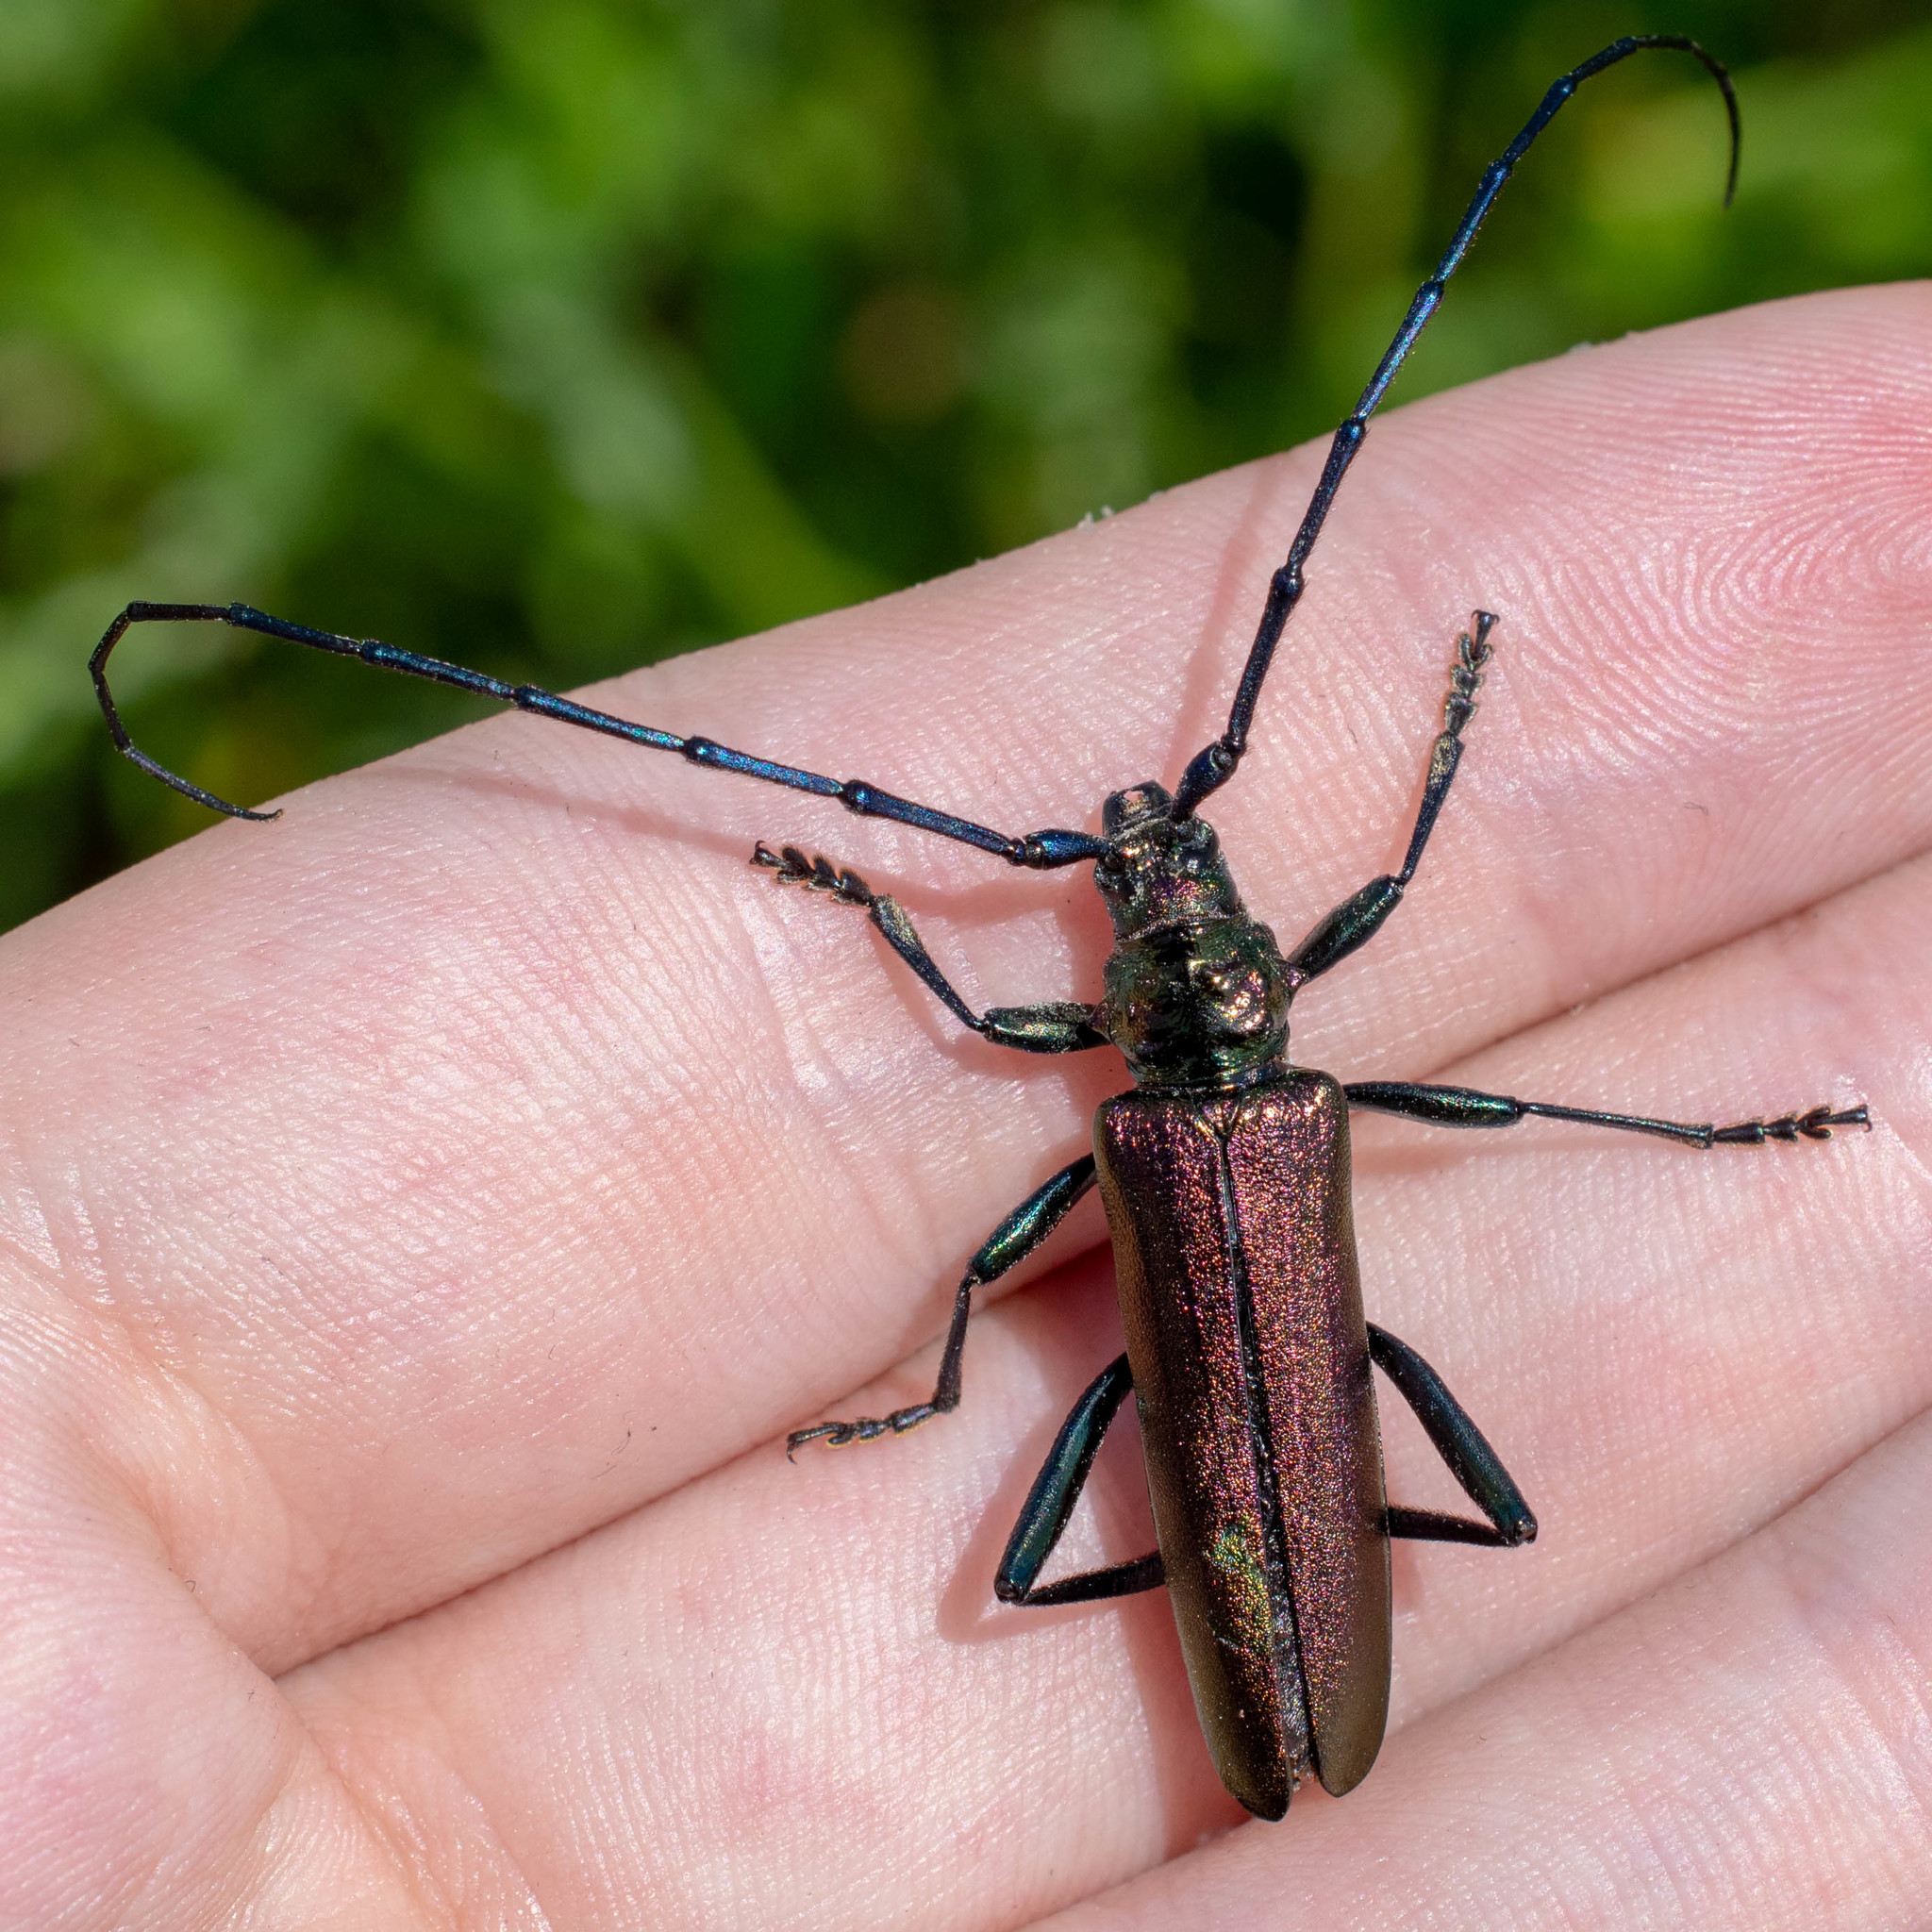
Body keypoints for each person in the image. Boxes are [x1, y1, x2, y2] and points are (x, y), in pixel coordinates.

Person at [1, 284, 1925, 1929]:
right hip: (1285, 1504)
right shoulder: (1276, 1083)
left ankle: (1056, 1470)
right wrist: (1453, 738)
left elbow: (1023, 1028)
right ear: (1256, 957)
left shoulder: (1132, 1117)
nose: (1151, 875)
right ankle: (1229, 1540)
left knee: (1103, 1474)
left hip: (1253, 1495)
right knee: (1465, 1491)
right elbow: (1405, 875)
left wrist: (877, 912)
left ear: (1133, 982)